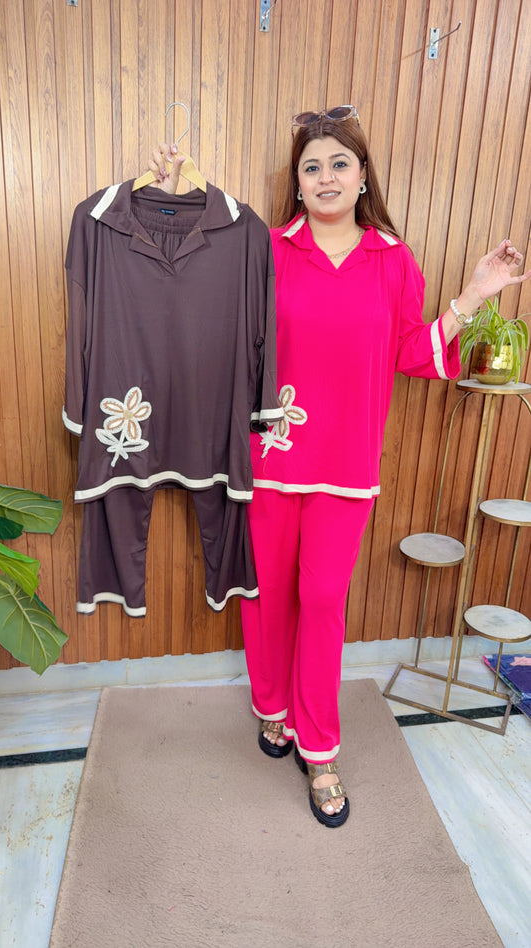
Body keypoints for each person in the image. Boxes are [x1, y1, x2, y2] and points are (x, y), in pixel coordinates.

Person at [148, 105, 530, 827]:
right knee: (267, 597)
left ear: (361, 178)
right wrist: (173, 201)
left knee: (322, 600)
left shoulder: (392, 259)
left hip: (346, 465)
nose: (325, 177)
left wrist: (475, 293)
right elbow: (194, 292)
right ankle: (274, 711)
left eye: (339, 164)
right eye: (312, 166)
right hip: (269, 458)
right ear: (297, 182)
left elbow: (412, 353)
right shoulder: (265, 250)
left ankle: (319, 748)